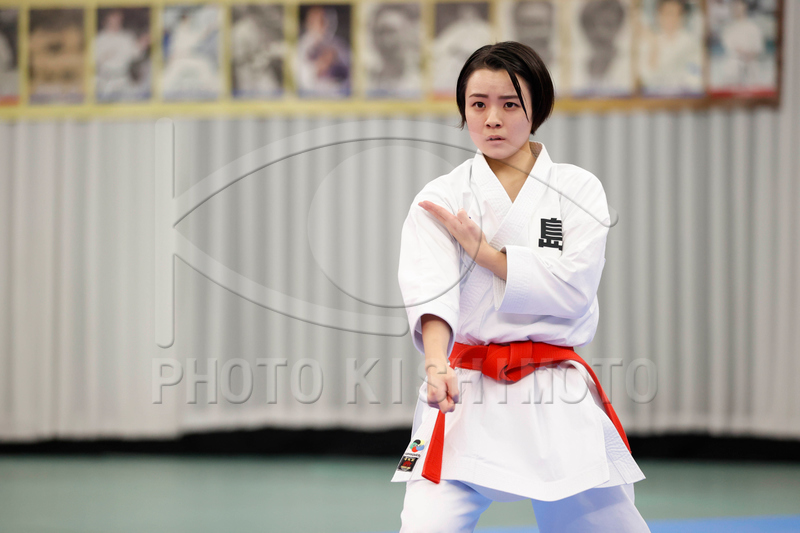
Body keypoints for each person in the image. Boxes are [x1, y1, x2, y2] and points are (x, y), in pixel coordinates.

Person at [392, 41, 650, 532]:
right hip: (462, 392)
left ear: (537, 109)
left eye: (510, 104)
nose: (492, 118)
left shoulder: (577, 190)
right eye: (478, 104)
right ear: (463, 111)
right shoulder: (443, 197)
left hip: (555, 396)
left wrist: (486, 254)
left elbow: (574, 287)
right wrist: (434, 365)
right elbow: (431, 290)